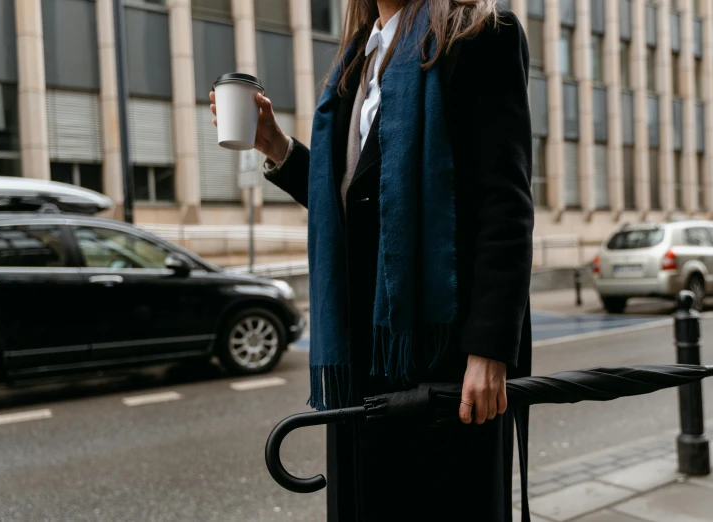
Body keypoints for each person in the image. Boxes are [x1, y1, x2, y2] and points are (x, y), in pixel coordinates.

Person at [211, 0, 533, 519]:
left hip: (441, 349)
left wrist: (491, 349)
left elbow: (505, 201)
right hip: (365, 351)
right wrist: (275, 145)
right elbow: (353, 206)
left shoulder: (481, 33)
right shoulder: (356, 63)